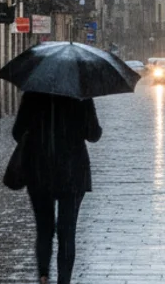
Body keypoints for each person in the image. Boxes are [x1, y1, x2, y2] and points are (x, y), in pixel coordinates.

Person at [13, 91, 103, 284]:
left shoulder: (33, 94)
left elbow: (17, 132)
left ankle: (44, 277)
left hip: (39, 170)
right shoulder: (80, 94)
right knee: (67, 231)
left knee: (44, 229)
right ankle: (64, 281)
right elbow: (94, 134)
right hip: (72, 172)